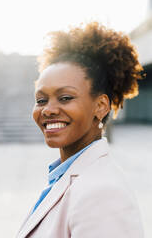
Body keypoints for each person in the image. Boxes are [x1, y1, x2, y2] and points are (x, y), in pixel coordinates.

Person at [17, 22, 145, 238]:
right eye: (41, 100)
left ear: (101, 106)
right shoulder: (65, 177)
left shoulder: (103, 194)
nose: (48, 110)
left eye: (65, 98)